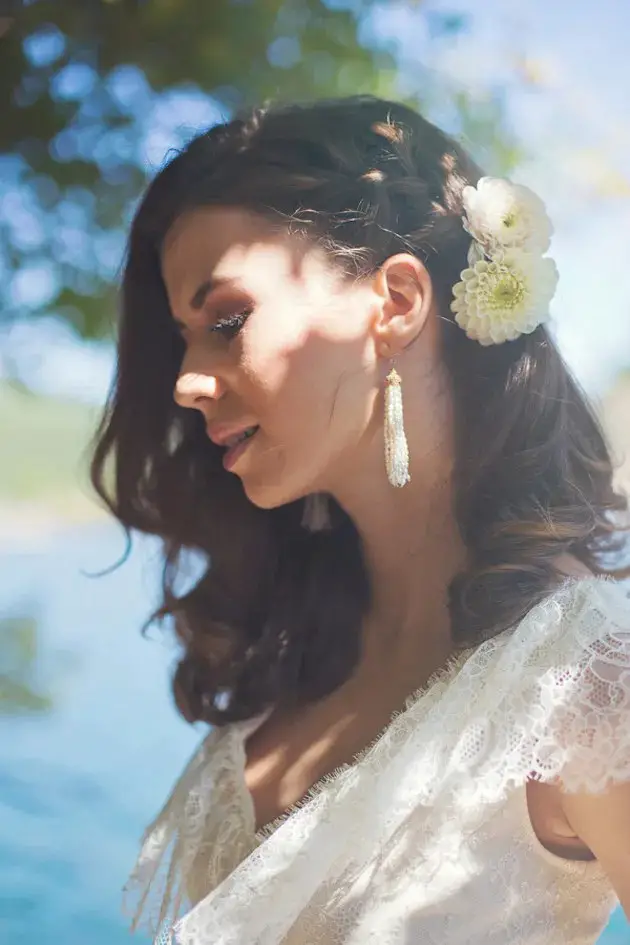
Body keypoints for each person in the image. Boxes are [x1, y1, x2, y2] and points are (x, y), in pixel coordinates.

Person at [90, 95, 630, 945]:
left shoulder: (585, 676)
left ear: (398, 301)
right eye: (184, 339)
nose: (186, 382)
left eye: (227, 321)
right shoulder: (299, 646)